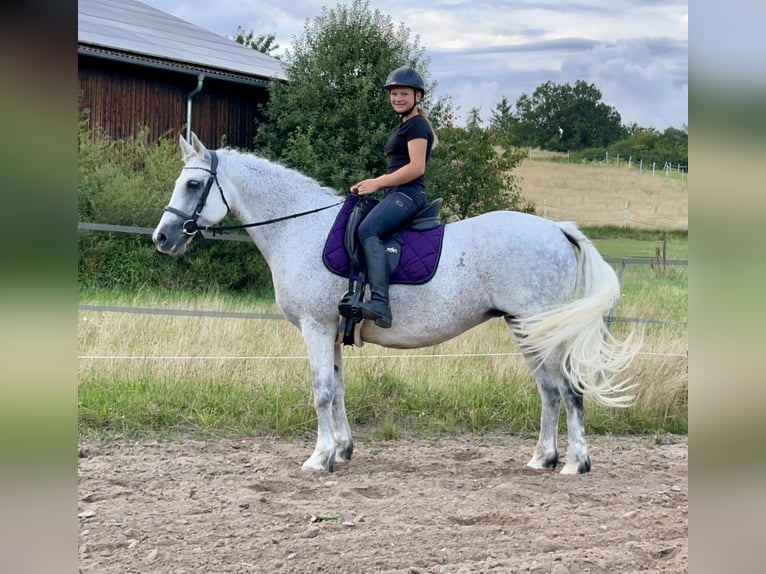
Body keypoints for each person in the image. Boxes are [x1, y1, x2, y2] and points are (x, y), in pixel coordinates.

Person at [351, 66, 437, 328]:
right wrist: (369, 184)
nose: (397, 98)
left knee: (367, 230)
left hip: (408, 195)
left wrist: (377, 183)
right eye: (394, 94)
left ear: (418, 96)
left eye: (403, 94)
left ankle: (380, 303)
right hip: (396, 193)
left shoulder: (417, 125)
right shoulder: (404, 125)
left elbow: (415, 168)